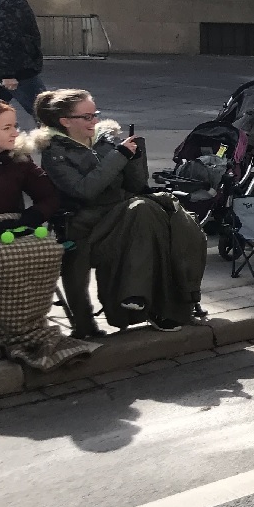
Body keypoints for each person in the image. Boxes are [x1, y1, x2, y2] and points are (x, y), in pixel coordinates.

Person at [34, 89, 207, 334]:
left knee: (168, 217)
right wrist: (120, 155)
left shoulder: (104, 143)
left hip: (124, 217)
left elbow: (136, 187)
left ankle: (154, 303)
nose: (94, 121)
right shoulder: (56, 153)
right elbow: (85, 190)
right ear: (65, 121)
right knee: (145, 211)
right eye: (87, 117)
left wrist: (135, 156)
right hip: (87, 226)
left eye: (95, 114)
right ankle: (138, 299)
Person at [0, 100, 95, 370]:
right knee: (0, 257)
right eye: (6, 127)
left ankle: (27, 327)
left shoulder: (19, 159)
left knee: (49, 249)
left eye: (14, 125)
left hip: (14, 224)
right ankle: (1, 330)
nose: (16, 132)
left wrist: (33, 216)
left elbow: (48, 196)